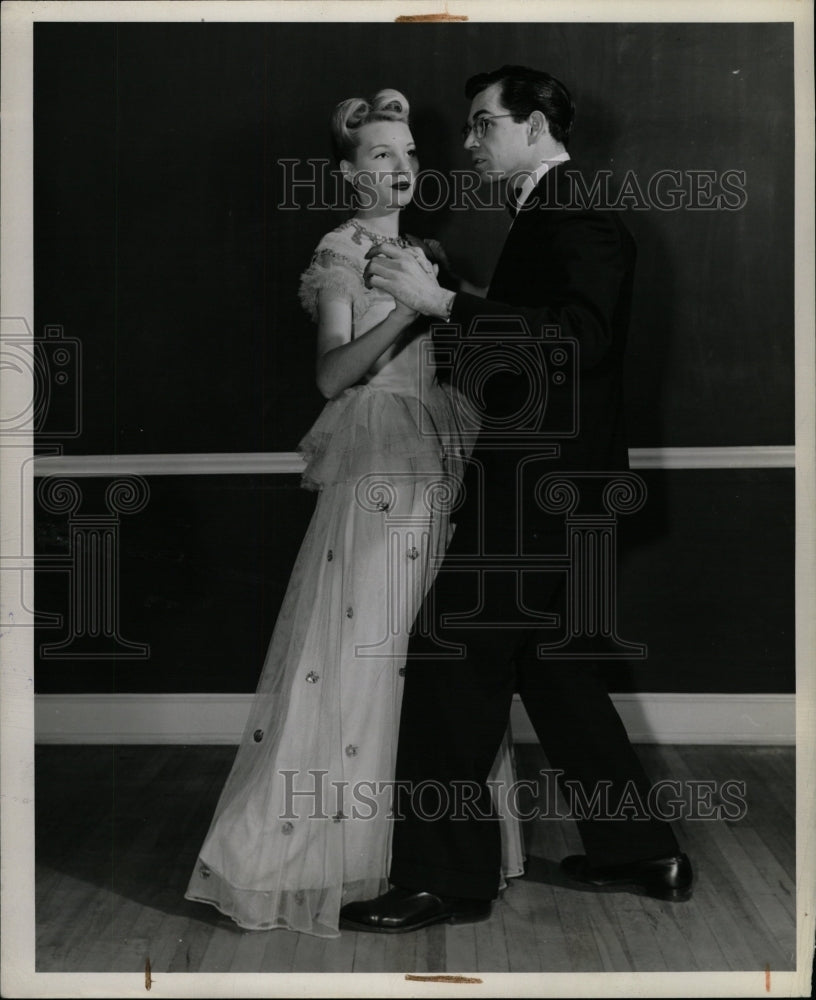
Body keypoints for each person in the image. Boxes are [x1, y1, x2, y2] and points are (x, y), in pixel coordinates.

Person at [340, 66, 693, 934]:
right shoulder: (546, 212)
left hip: (543, 489)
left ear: (535, 127)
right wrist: (444, 324)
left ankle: (446, 882)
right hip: (543, 483)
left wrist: (445, 304)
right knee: (554, 667)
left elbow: (579, 344)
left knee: (447, 662)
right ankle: (642, 851)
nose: (466, 141)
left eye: (482, 124)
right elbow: (532, 361)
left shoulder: (581, 213)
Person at [184, 89, 523, 938]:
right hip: (377, 454)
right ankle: (329, 854)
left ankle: (439, 855)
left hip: (434, 454)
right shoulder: (340, 248)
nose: (400, 168)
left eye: (408, 154)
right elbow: (332, 377)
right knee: (367, 644)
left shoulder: (424, 246)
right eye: (380, 155)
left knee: (433, 653)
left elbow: (488, 325)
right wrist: (410, 314)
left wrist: (449, 295)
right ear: (347, 171)